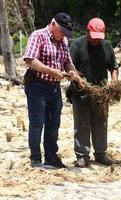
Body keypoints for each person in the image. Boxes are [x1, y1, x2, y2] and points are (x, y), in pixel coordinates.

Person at [23, 13, 85, 169]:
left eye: (65, 32)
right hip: (37, 85)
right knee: (37, 124)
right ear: (53, 23)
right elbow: (30, 60)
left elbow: (67, 62)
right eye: (61, 31)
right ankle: (36, 159)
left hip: (54, 88)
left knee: (53, 124)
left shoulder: (63, 40)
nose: (63, 35)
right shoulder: (38, 36)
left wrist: (76, 76)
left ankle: (51, 157)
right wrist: (51, 71)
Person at [68, 18, 120, 167]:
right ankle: (82, 156)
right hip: (81, 92)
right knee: (82, 124)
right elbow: (70, 67)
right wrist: (79, 79)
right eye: (93, 37)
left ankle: (101, 154)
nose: (96, 41)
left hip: (101, 94)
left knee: (101, 123)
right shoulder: (77, 45)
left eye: (99, 38)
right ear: (87, 31)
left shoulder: (107, 46)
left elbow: (113, 67)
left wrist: (114, 82)